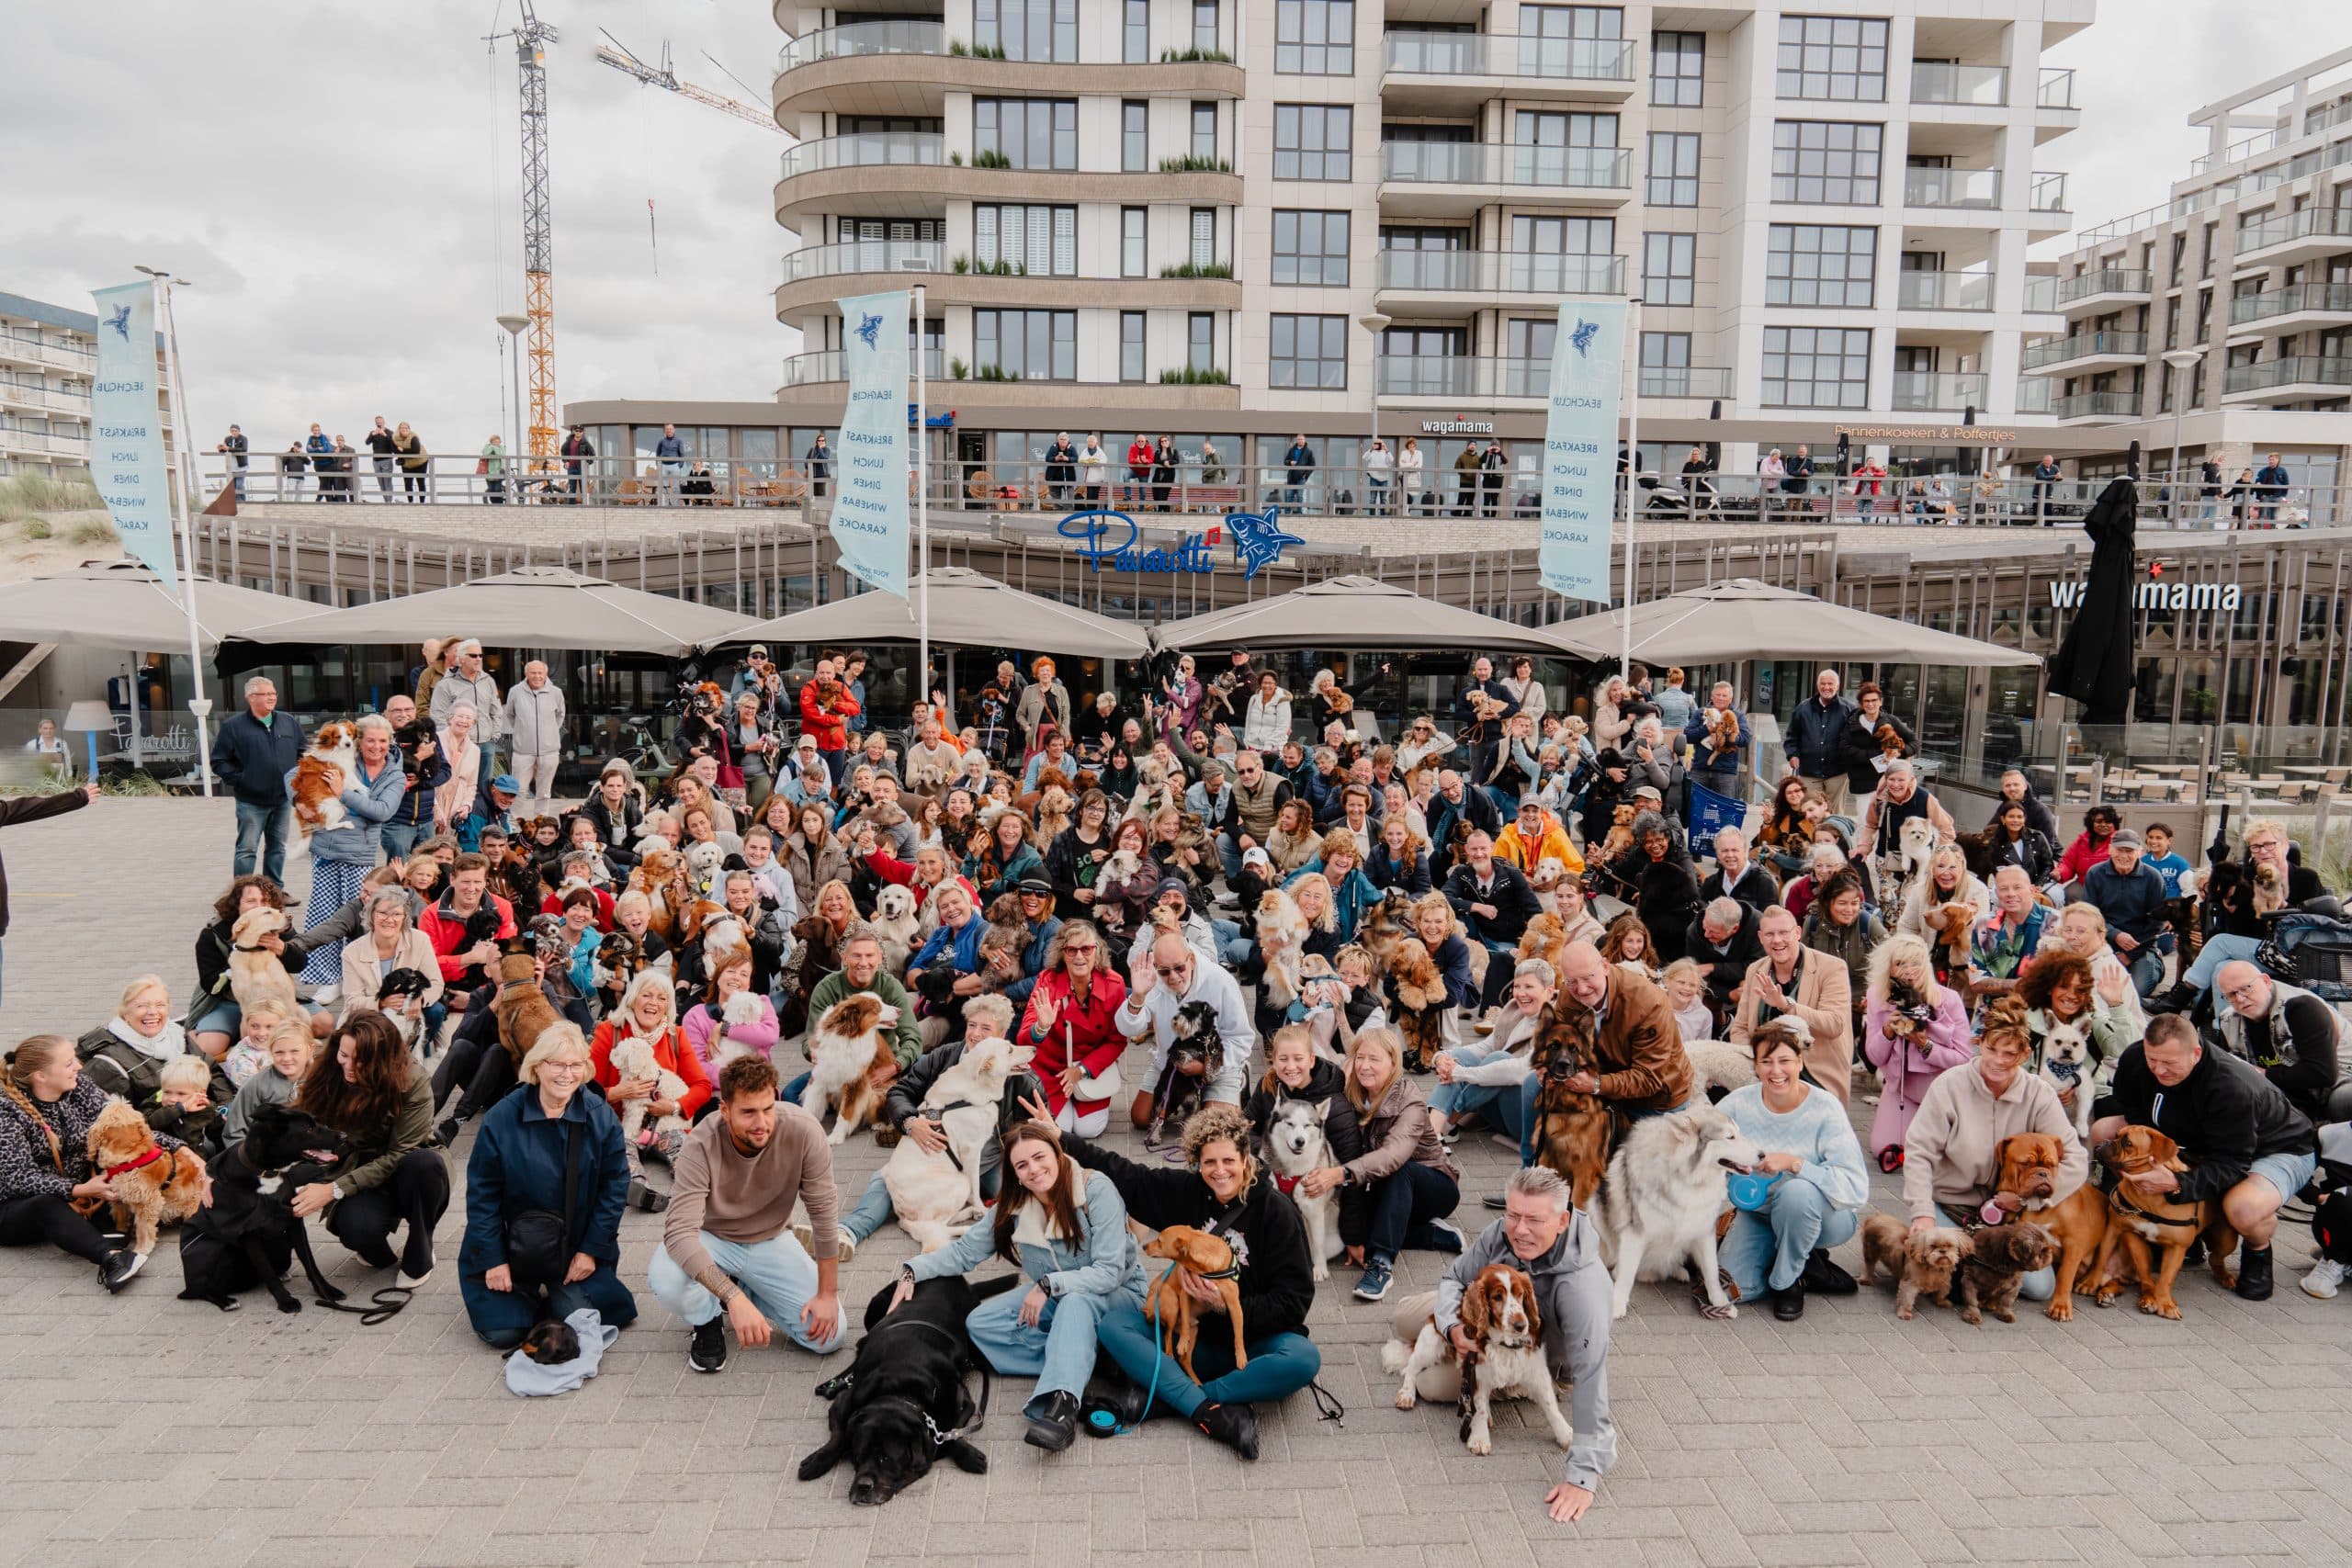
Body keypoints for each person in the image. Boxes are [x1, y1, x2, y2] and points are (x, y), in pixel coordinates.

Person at [1040, 1100, 1318, 1461]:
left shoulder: (1277, 1213)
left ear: (1246, 1159)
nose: (1220, 1172)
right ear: (1196, 1163)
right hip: (1189, 1337)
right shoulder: (1188, 1193)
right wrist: (1061, 1138)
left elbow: (1294, 1303)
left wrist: (1221, 1304)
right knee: (1113, 1326)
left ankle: (1180, 1399)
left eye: (1229, 1161)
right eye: (1209, 1163)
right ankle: (1205, 1404)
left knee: (1302, 1360)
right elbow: (1126, 1174)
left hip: (1250, 1340)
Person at [888, 1119, 1146, 1451]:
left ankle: (1062, 1407)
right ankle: (1082, 1358)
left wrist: (1048, 1285)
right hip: (1056, 1294)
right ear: (1013, 1172)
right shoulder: (1015, 1202)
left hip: (1118, 1295)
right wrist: (912, 1270)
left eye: (1040, 1157)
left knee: (1076, 1302)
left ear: (1056, 1152)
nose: (1034, 1170)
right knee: (981, 1324)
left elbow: (1110, 1272)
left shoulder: (1095, 1190)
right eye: (1022, 1165)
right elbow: (966, 1252)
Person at [2092, 1011, 2318, 1302]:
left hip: (2276, 1149)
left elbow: (2232, 1163)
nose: (2159, 1071)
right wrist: (2155, 1158)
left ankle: (2257, 1249)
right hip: (2199, 1142)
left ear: (2196, 1053)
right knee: (2104, 1131)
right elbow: (2134, 1111)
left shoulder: (2230, 1086)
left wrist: (2177, 1183)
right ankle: (2136, 1224)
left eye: (2170, 1063)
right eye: (2153, 1061)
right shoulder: (2136, 1058)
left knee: (2243, 1207)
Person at [1430, 1166, 1615, 1520]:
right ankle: (1431, 1335)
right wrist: (1453, 1327)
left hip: (1536, 1362)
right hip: (1488, 1325)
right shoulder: (1500, 1232)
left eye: (1534, 1220)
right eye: (1513, 1215)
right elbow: (1454, 1279)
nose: (1519, 1229)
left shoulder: (1582, 1289)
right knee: (1412, 1318)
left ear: (1562, 1221)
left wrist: (1582, 1477)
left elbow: (1591, 1375)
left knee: (1431, 1385)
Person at [650, 1055, 844, 1371]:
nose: (761, 1123)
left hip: (771, 1237)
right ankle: (708, 1316)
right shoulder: (699, 1145)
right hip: (711, 1238)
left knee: (828, 1338)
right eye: (748, 1112)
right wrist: (732, 1298)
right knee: (666, 1278)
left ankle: (744, 1288)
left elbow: (823, 1214)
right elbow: (679, 1234)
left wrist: (827, 1294)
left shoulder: (805, 1131)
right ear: (724, 1110)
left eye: (768, 1109)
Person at [459, 1025, 639, 1349]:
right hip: (514, 1248)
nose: (566, 1074)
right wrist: (493, 1260)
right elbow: (481, 1194)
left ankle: (553, 1294)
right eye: (556, 1064)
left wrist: (590, 1251)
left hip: (572, 1247)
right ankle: (529, 1298)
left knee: (589, 1319)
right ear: (537, 1066)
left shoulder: (600, 1117)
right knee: (504, 1334)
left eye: (574, 1065)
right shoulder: (501, 1118)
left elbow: (614, 1188)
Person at [1900, 996, 2084, 1303]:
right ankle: (1957, 1263)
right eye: (1991, 1050)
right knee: (1940, 1264)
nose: (1998, 1061)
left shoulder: (2039, 1094)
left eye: (2009, 1054)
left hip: (2010, 1217)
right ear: (1979, 1043)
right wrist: (1922, 1213)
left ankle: (1971, 1269)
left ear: (2025, 1054)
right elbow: (1919, 1151)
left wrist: (2029, 1199)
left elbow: (2077, 1159)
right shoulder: (1950, 1085)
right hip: (1952, 1206)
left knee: (2039, 1289)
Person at [1717, 1019, 1869, 1319]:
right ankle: (1805, 1262)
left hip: (1824, 1215)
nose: (1776, 1071)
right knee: (1730, 1293)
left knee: (1796, 1192)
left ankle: (1787, 1281)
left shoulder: (1825, 1108)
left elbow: (1854, 1187)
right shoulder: (1737, 1104)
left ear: (1800, 1061)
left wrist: (1796, 1164)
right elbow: (1702, 1147)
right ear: (1756, 1066)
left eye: (1785, 1060)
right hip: (1759, 1212)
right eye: (1766, 1061)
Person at [1300, 1027, 1459, 1303]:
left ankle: (1381, 1263)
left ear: (1393, 1064)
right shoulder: (1351, 1093)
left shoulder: (1409, 1100)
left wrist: (1340, 1174)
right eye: (1360, 1058)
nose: (1365, 1066)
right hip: (1381, 1184)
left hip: (1433, 1186)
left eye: (1374, 1059)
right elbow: (1313, 1073)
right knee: (1347, 1229)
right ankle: (1431, 1236)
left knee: (1401, 1170)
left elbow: (1393, 1155)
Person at [296, 1010, 447, 1286]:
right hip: (360, 1162)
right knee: (356, 1229)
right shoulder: (331, 1066)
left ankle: (421, 1244)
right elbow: (301, 1120)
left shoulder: (413, 1080)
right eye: (344, 1054)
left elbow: (399, 1154)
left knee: (426, 1164)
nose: (349, 1066)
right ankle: (376, 1250)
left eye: (361, 1060)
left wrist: (333, 1189)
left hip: (408, 1163)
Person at [1, 1032, 161, 1291]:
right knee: (46, 1206)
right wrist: (78, 1189)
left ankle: (101, 1235)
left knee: (129, 1178)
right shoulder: (6, 1111)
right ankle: (112, 1260)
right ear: (41, 1076)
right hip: (14, 1206)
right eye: (68, 1063)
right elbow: (17, 1179)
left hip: (81, 1193)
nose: (79, 1066)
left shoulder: (80, 1086)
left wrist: (182, 1149)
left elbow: (123, 1129)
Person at [297, 715, 406, 989]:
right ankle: (327, 979)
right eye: (370, 740)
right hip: (327, 848)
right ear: (360, 740)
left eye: (382, 741)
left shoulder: (395, 775)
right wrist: (298, 801)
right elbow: (294, 773)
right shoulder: (341, 753)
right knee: (323, 916)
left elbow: (382, 811)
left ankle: (358, 975)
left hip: (360, 854)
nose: (376, 746)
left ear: (389, 742)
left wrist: (342, 792)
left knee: (360, 919)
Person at [1117, 929, 1254, 1128]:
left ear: (1191, 959)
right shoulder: (1153, 981)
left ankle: (1239, 1078)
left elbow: (1241, 1038)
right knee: (1141, 1118)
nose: (1172, 977)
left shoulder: (1221, 980)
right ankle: (1194, 1099)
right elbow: (1127, 1028)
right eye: (1164, 971)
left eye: (1179, 968)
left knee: (1214, 1128)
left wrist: (1206, 1066)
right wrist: (1137, 996)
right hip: (1173, 1064)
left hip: (1218, 1061)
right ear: (1156, 967)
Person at [1860, 933, 1972, 1166]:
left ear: (1926, 965)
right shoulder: (1877, 996)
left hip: (1941, 1092)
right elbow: (1874, 1057)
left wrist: (1925, 1044)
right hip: (1901, 1089)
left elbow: (1963, 1059)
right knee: (1884, 1150)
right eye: (1900, 964)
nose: (1908, 971)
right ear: (1889, 968)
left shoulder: (1949, 999)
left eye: (1915, 963)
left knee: (1941, 1155)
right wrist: (1888, 1033)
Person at [1729, 905, 1856, 1104]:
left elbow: (1834, 1025)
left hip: (1815, 1079)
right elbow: (1740, 1028)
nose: (1777, 940)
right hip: (1764, 1078)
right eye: (1770, 934)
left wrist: (1788, 1006)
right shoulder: (1756, 969)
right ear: (1761, 938)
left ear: (1797, 933)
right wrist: (1756, 1063)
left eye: (1783, 933)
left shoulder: (1832, 967)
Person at [2205, 960, 2351, 1125]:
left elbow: (2323, 1074)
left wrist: (2261, 1074)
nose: (2240, 999)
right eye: (2231, 995)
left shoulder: (2302, 1006)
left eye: (2246, 988)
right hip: (2287, 1091)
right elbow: (2221, 1068)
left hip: (2342, 1079)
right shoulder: (2229, 1020)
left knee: (2342, 1102)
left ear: (2266, 981)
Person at [1018, 920, 1129, 1136]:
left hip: (1089, 1068)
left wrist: (1081, 1070)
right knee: (1058, 1131)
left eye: (1086, 949)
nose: (1079, 956)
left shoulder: (1114, 984)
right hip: (1051, 1069)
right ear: (1062, 953)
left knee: (1088, 1130)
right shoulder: (1047, 980)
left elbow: (1117, 1041)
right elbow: (1024, 1040)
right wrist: (1041, 1027)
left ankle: (1085, 1100)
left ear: (1097, 951)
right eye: (1071, 950)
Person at [214, 675, 303, 884]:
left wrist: (297, 781)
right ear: (251, 697)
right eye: (267, 694)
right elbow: (219, 761)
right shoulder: (233, 727)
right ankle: (242, 893)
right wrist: (243, 780)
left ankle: (274, 890)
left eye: (274, 693)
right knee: (247, 849)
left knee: (277, 847)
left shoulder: (288, 722)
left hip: (282, 799)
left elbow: (302, 752)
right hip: (250, 801)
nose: (272, 698)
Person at [1444, 830, 1544, 1008]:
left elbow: (1535, 912)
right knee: (1453, 916)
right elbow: (1442, 898)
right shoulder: (1461, 873)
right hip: (1474, 938)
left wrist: (1526, 945)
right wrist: (1476, 907)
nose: (1479, 853)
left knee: (1501, 964)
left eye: (1483, 848)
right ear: (1466, 849)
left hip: (1505, 938)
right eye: (1474, 849)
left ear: (1492, 848)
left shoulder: (1511, 875)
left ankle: (1492, 1007)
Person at [2072, 827, 2168, 997]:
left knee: (2135, 992)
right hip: (2102, 942)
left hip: (2141, 946)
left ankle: (2155, 964)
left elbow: (2157, 923)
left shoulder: (2153, 878)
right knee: (2089, 989)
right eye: (2119, 850)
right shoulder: (2095, 873)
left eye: (2129, 851)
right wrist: (2115, 934)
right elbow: (2089, 915)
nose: (2124, 856)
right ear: (2110, 850)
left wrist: (2130, 955)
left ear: (2139, 852)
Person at [1783, 670, 1855, 813]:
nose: (1826, 687)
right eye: (1823, 684)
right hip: (1809, 770)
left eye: (1830, 684)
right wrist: (1792, 755)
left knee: (1834, 813)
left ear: (1838, 686)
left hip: (1838, 772)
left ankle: (1833, 836)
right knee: (1810, 811)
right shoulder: (1803, 708)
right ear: (1817, 686)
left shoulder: (1848, 709)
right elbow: (1792, 737)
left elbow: (1855, 739)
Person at [503, 661, 567, 818]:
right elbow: (510, 715)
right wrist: (523, 731)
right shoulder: (515, 691)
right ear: (526, 674)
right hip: (522, 751)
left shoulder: (556, 692)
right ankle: (515, 822)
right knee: (519, 790)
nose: (537, 676)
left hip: (549, 751)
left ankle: (541, 820)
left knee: (544, 791)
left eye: (540, 673)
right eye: (533, 673)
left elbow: (560, 715)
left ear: (546, 674)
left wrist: (548, 732)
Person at [1836, 682, 1912, 807]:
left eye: (1874, 700)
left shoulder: (1891, 720)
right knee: (1865, 823)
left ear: (1880, 701)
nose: (1871, 704)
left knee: (1887, 823)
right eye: (1867, 701)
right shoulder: (1851, 723)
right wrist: (1873, 755)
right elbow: (1844, 749)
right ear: (1861, 704)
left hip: (1889, 781)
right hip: (1863, 782)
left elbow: (1914, 742)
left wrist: (1899, 752)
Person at [1685, 897, 1762, 1021]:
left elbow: (1757, 967)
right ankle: (1719, 1024)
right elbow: (1695, 975)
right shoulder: (1694, 931)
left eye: (1713, 932)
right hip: (1714, 986)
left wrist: (1713, 967)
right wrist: (1728, 995)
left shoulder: (1757, 926)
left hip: (1747, 980)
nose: (1706, 934)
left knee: (1751, 986)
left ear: (1734, 929)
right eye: (1705, 928)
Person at [1681, 682, 1748, 789]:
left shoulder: (1737, 716)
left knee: (1724, 805)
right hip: (1700, 768)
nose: (1720, 698)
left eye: (1724, 695)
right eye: (1718, 695)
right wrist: (1707, 729)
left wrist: (1723, 738)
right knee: (1696, 803)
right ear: (1712, 697)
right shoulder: (1701, 713)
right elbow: (1688, 736)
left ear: (1730, 699)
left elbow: (1745, 739)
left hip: (1725, 771)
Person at [1701, 827, 1778, 913]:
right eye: (1724, 850)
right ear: (1717, 855)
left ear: (1745, 852)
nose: (1730, 855)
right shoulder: (1712, 883)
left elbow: (1772, 920)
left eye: (1735, 850)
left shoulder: (1763, 882)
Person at [1014, 657, 1072, 762]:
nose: (1045, 673)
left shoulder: (1061, 691)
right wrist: (1027, 728)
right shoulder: (1029, 691)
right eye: (1042, 670)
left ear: (1052, 673)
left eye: (1048, 670)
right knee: (1034, 764)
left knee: (1054, 765)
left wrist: (1062, 735)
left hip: (1055, 735)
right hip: (1036, 735)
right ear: (1037, 673)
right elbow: (1019, 714)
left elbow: (1066, 715)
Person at [2253, 451, 2290, 523]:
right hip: (2265, 496)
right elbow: (2257, 483)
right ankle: (2259, 530)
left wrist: (2283, 496)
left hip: (2277, 496)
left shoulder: (2282, 471)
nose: (2271, 461)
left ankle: (2273, 531)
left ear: (2277, 460)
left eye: (2273, 459)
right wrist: (2260, 495)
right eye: (2270, 459)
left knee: (2274, 515)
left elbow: (2286, 484)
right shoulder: (2263, 471)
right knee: (2262, 514)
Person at [1281, 433, 1315, 507]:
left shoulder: (1309, 451)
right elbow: (1285, 461)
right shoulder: (1292, 450)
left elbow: (1313, 465)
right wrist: (1290, 462)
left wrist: (1306, 475)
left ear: (1305, 440)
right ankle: (1287, 513)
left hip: (1301, 477)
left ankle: (1300, 513)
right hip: (1291, 476)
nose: (1300, 441)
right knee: (1289, 496)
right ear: (1297, 440)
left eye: (1302, 439)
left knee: (1300, 496)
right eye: (1299, 439)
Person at [1362, 437, 1392, 514]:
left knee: (1383, 499)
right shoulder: (1372, 452)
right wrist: (1371, 449)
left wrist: (1386, 449)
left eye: (1379, 443)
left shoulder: (1385, 452)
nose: (1377, 445)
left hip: (1384, 478)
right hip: (1374, 477)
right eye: (1376, 443)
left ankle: (1383, 516)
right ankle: (1372, 515)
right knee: (1372, 498)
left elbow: (1391, 460)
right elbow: (1364, 457)